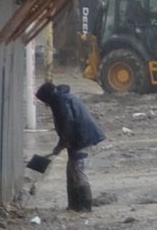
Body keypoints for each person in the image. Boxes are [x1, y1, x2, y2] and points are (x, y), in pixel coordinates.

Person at [36, 81, 106, 212]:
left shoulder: (61, 101)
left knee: (78, 169)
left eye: (45, 101)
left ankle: (86, 206)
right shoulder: (61, 99)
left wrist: (61, 145)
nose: (45, 105)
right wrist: (63, 143)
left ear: (48, 97)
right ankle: (74, 205)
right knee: (71, 171)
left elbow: (69, 123)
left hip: (83, 138)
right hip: (77, 138)